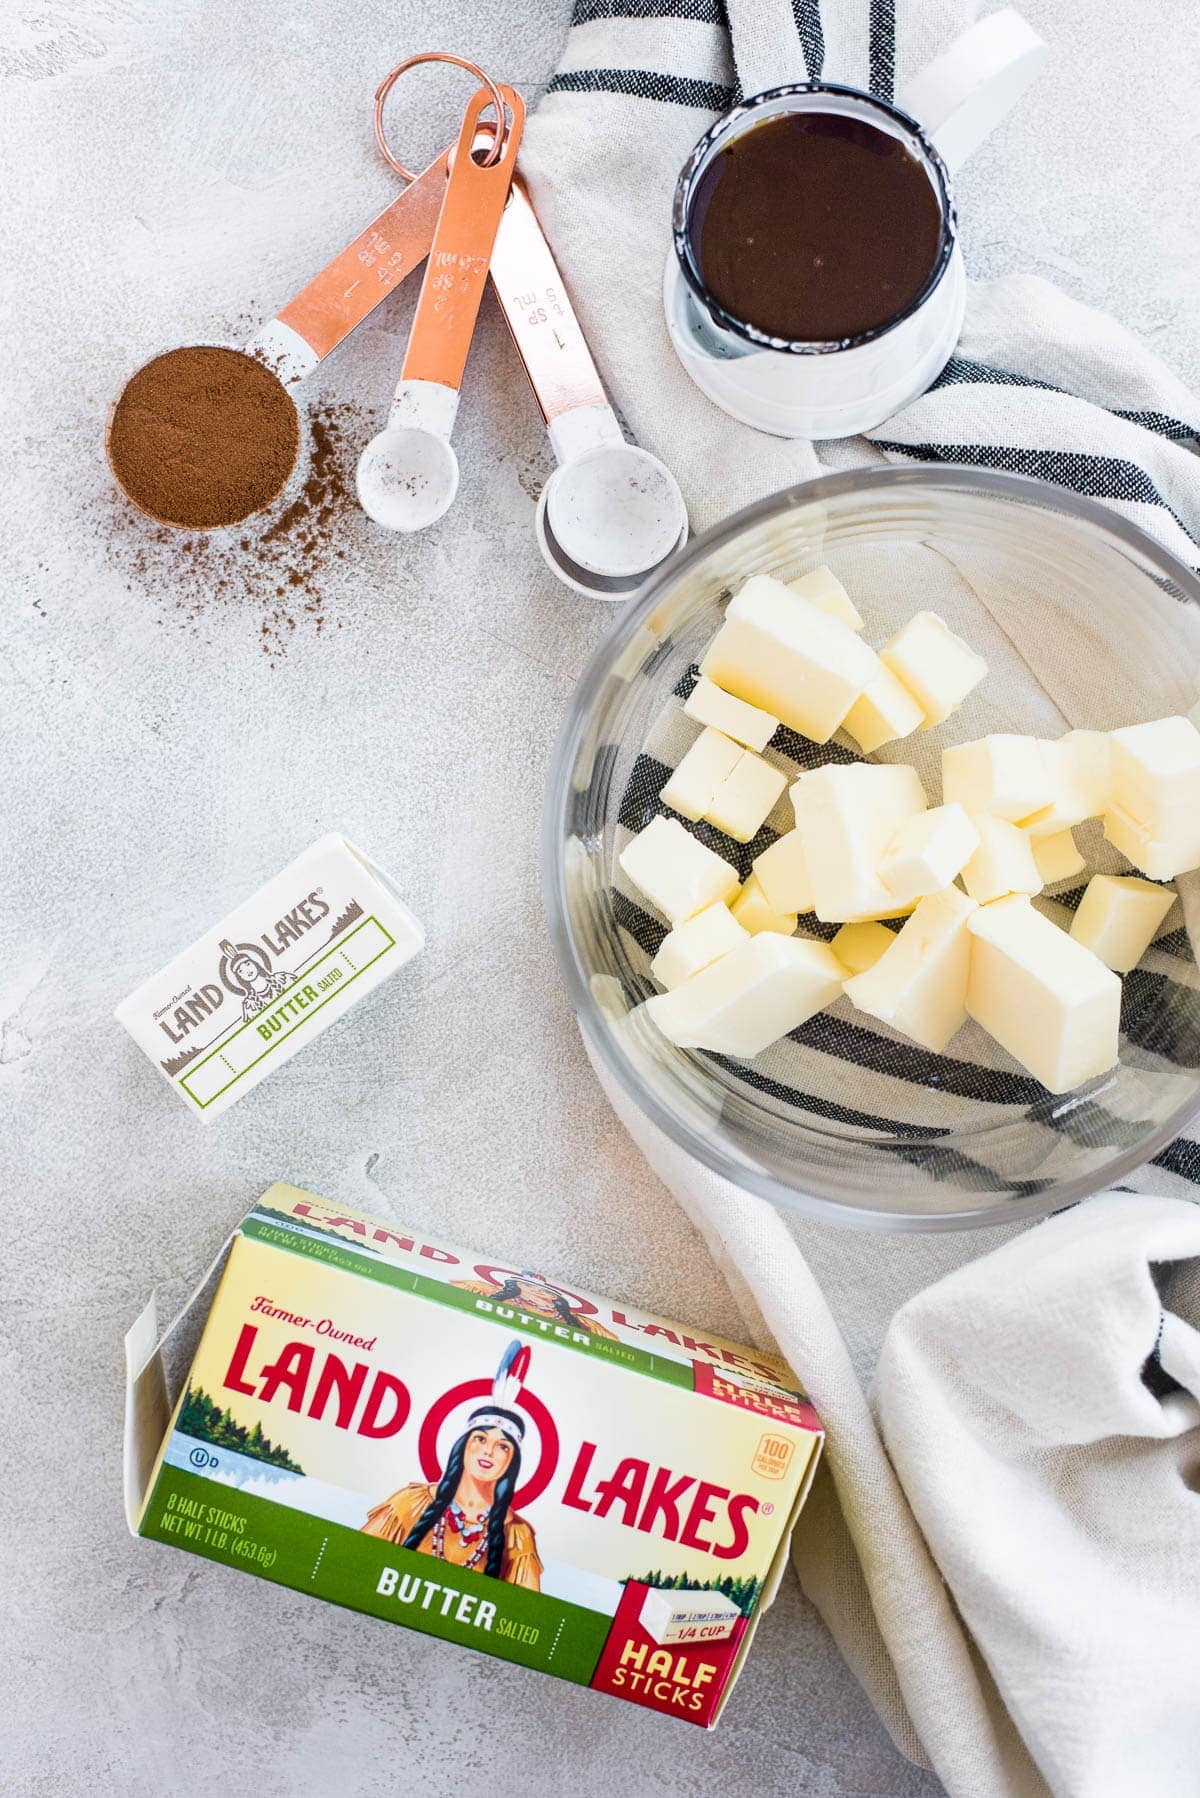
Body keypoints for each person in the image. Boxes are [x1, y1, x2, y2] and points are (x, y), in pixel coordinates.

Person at [362, 1342, 542, 1590]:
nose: (489, 1451)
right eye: (480, 1439)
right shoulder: (409, 1503)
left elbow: (525, 1610)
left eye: (503, 1446)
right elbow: (355, 1561)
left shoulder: (517, 1536)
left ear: (512, 1462)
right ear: (463, 1447)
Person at [450, 1270, 617, 1342]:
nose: (538, 1292)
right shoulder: (483, 1290)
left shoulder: (584, 1323)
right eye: (529, 1286)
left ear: (556, 1297)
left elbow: (613, 1343)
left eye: (546, 1291)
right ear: (516, 1285)